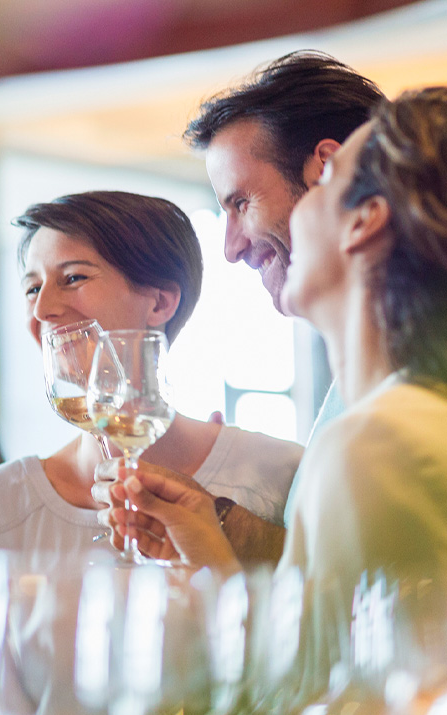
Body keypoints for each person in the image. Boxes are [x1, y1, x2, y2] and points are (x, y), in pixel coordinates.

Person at [0, 190, 303, 715]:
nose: (43, 309)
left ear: (160, 301)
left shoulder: (278, 475)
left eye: (72, 278)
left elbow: (302, 698)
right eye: (32, 287)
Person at [119, 85, 447, 673]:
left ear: (364, 219)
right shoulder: (395, 417)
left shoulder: (377, 443)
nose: (229, 249)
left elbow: (327, 697)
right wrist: (207, 540)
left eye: (331, 178)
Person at [97, 50, 387, 553]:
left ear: (326, 170)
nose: (230, 249)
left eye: (240, 203)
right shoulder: (366, 360)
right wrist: (211, 520)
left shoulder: (420, 357)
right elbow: (346, 565)